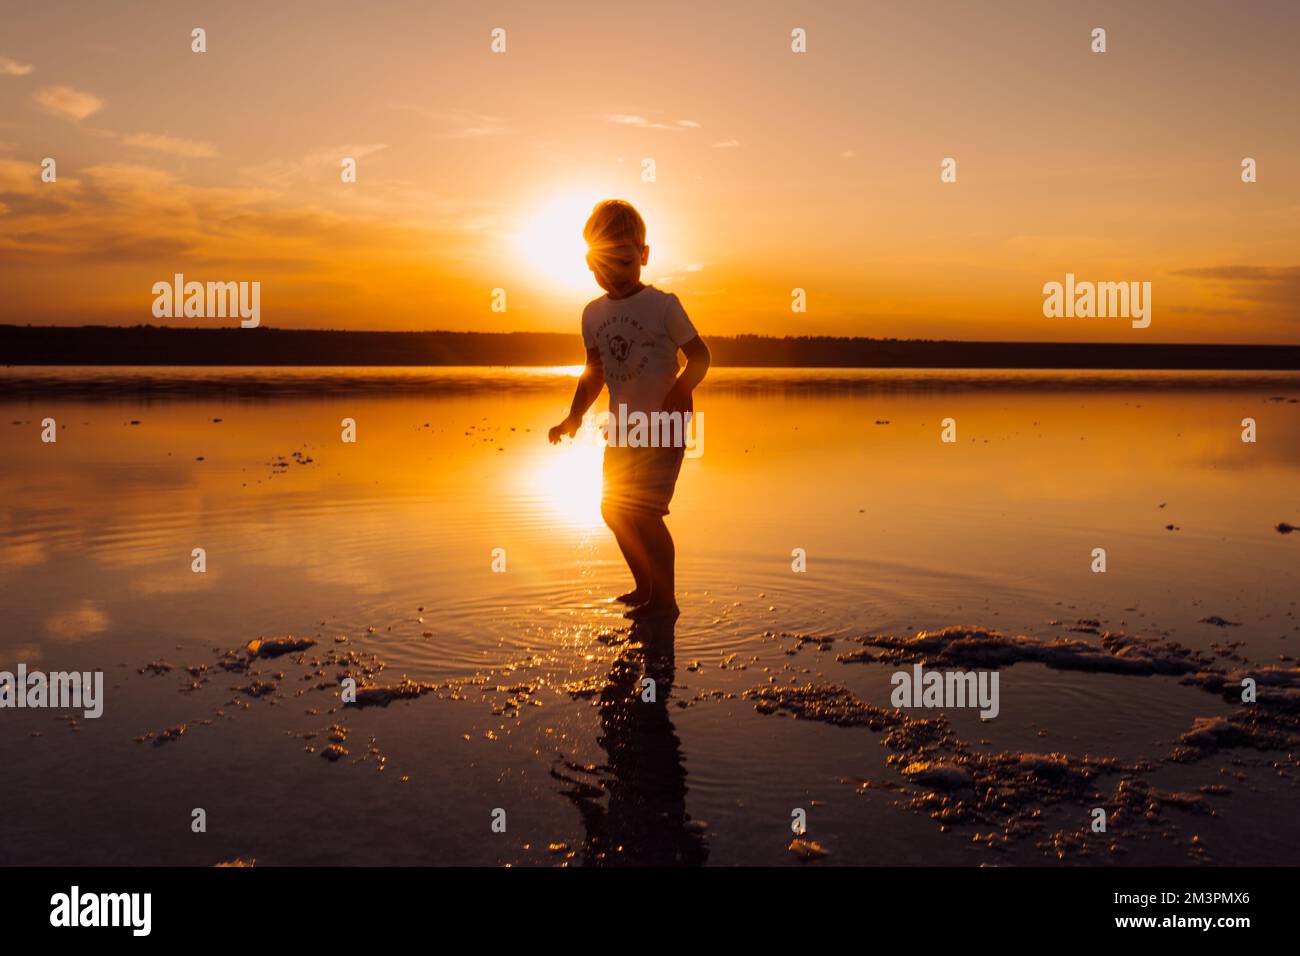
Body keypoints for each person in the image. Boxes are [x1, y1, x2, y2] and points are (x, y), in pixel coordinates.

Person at [548, 199, 710, 620]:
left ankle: (665, 601)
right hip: (622, 428)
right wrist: (574, 416)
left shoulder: (664, 306)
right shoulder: (593, 314)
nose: (613, 273)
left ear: (643, 256)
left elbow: (700, 357)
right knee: (613, 509)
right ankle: (644, 585)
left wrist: (680, 390)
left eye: (622, 261)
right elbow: (594, 372)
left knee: (646, 514)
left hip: (663, 425)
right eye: (600, 263)